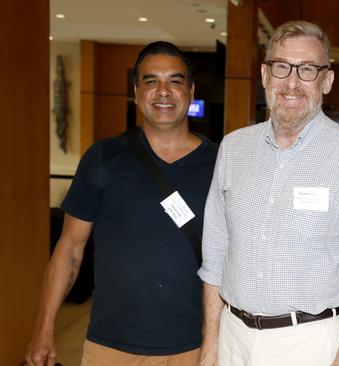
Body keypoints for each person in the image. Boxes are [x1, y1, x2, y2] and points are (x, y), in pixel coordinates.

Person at [198, 20, 339, 366]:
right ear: (265, 75)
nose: (292, 82)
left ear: (326, 80)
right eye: (282, 67)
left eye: (307, 70)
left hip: (310, 344)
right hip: (232, 338)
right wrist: (211, 345)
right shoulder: (233, 148)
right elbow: (214, 257)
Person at [25, 41, 218, 366]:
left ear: (191, 89)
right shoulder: (103, 158)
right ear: (136, 91)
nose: (163, 91)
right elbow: (70, 247)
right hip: (111, 349)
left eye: (175, 80)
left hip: (196, 348)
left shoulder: (222, 163)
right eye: (151, 81)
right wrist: (43, 329)